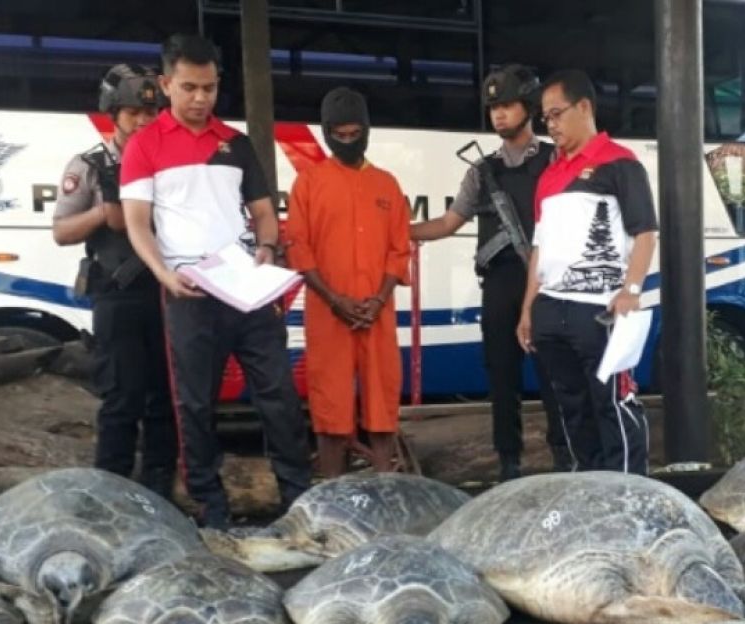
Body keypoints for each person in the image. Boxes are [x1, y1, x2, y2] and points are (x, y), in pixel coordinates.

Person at [121, 34, 311, 528]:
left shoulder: (236, 143)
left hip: (246, 289)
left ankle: (299, 501)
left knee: (279, 397)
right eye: (189, 87)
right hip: (189, 293)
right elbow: (138, 223)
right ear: (165, 84)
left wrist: (267, 249)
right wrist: (165, 275)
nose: (201, 98)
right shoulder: (144, 145)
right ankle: (212, 509)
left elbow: (265, 214)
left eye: (209, 87)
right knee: (195, 404)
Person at [411, 64, 570, 480]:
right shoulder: (481, 172)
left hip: (549, 280)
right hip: (501, 281)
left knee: (555, 373)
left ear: (529, 108)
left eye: (507, 105)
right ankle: (508, 462)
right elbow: (448, 223)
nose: (498, 114)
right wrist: (399, 231)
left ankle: (564, 457)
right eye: (493, 107)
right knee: (501, 374)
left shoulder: (555, 160)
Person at [516, 69, 658, 475]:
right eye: (546, 118)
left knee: (613, 402)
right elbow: (539, 248)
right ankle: (591, 487)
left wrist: (631, 289)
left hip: (599, 309)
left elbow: (646, 232)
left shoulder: (620, 163)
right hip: (551, 308)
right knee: (571, 407)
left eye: (557, 114)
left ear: (584, 108)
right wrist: (528, 308)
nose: (551, 125)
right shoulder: (549, 175)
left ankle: (631, 491)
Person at [51, 64, 176, 499]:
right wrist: (102, 215)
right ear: (112, 114)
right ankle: (112, 492)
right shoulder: (90, 165)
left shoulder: (170, 163)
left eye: (152, 112)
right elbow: (62, 231)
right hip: (117, 294)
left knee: (165, 398)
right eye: (132, 113)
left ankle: (162, 491)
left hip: (165, 291)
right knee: (122, 398)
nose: (143, 121)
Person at [285, 88, 410, 475]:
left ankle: (386, 487)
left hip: (378, 312)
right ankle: (333, 489)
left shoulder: (388, 185)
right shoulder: (307, 184)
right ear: (326, 133)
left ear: (367, 130)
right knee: (330, 406)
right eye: (339, 134)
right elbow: (299, 250)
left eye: (355, 132)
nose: (347, 140)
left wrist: (378, 299)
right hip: (328, 313)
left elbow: (399, 248)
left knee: (382, 403)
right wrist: (334, 299)